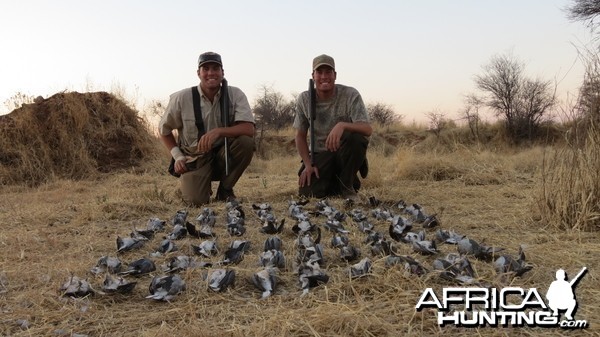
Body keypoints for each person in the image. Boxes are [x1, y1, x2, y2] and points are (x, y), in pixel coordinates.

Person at [158, 51, 255, 206]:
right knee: (195, 201)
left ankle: (225, 190)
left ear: (222, 72)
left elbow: (249, 129)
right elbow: (164, 131)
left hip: (224, 153)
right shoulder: (182, 98)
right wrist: (178, 156)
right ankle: (193, 185)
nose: (211, 73)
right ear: (198, 73)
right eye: (206, 69)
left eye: (216, 68)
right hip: (196, 157)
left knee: (246, 142)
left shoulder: (235, 94)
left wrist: (219, 132)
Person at [293, 54, 372, 201]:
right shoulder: (304, 98)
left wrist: (342, 125)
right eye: (319, 72)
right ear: (313, 75)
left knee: (356, 138)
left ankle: (347, 186)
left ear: (335, 75)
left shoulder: (350, 94)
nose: (324, 76)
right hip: (320, 153)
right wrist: (308, 165)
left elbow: (367, 129)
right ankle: (340, 180)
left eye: (328, 72)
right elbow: (300, 135)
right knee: (308, 192)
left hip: (343, 151)